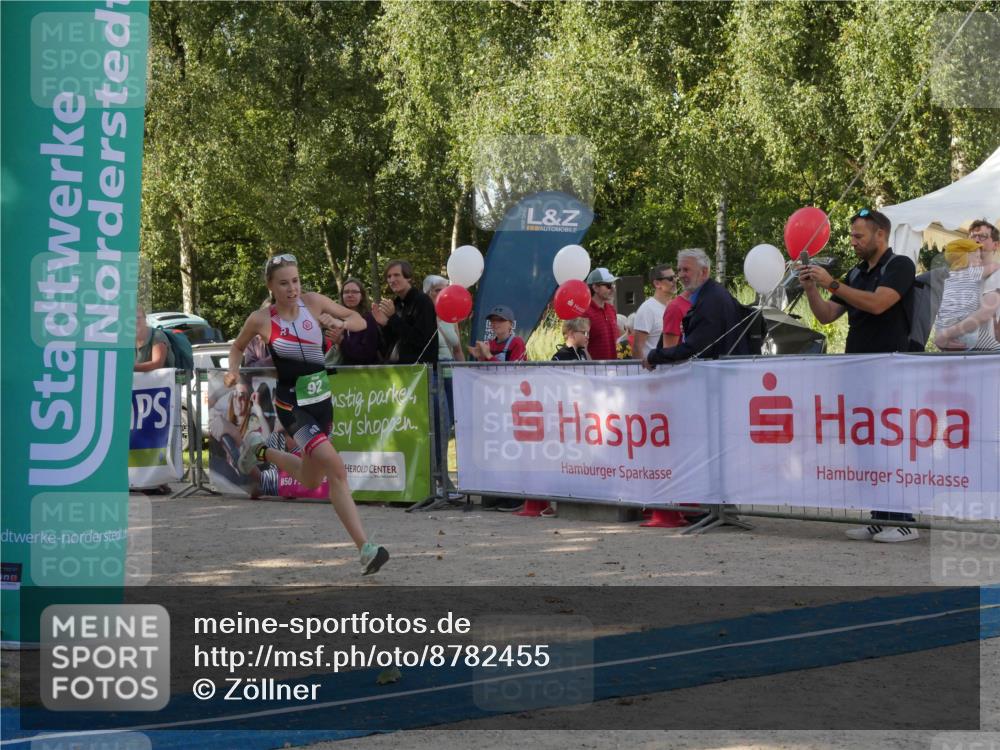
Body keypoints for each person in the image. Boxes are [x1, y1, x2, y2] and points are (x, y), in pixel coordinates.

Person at [225, 253, 389, 575]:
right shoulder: (261, 319)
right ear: (271, 286)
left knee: (311, 477)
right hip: (291, 405)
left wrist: (339, 323)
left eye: (296, 281)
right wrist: (232, 371)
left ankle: (258, 450)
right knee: (336, 468)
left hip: (321, 401)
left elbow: (358, 320)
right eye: (284, 283)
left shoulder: (314, 303)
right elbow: (237, 347)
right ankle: (365, 549)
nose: (292, 289)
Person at [798, 208, 919, 543]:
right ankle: (879, 516)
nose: (852, 242)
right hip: (857, 368)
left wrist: (832, 282)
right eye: (851, 235)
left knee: (890, 444)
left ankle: (904, 519)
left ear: (880, 235)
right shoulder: (855, 272)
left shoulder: (900, 265)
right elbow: (826, 315)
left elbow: (879, 304)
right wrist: (812, 288)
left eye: (858, 236)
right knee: (865, 445)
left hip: (889, 367)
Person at [644, 248, 750, 366]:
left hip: (720, 374)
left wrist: (654, 357)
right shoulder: (712, 294)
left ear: (704, 272)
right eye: (679, 270)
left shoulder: (711, 300)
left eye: (686, 270)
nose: (681, 275)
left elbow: (694, 348)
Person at [935, 221, 1000, 352]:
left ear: (995, 245)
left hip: (982, 353)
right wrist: (940, 337)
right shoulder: (955, 275)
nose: (976, 239)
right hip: (958, 351)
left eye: (982, 236)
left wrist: (944, 335)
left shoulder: (997, 274)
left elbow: (985, 314)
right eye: (972, 236)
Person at [373, 260, 439, 365]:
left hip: (420, 371)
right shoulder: (396, 304)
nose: (392, 280)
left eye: (396, 275)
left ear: (408, 277)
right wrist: (385, 325)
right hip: (398, 370)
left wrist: (393, 318)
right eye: (389, 276)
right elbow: (392, 342)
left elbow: (421, 339)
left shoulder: (422, 301)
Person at [324, 278, 381, 365]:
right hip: (340, 372)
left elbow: (368, 354)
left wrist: (341, 341)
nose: (350, 295)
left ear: (361, 296)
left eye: (354, 292)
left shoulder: (368, 319)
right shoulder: (337, 318)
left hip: (364, 372)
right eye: (346, 292)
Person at [632, 264, 677, 359]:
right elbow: (637, 347)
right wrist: (642, 372)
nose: (675, 280)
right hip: (653, 371)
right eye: (670, 278)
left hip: (671, 369)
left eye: (675, 276)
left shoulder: (674, 306)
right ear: (657, 284)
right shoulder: (647, 309)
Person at [583, 267, 620, 360]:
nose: (612, 289)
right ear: (595, 287)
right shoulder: (585, 313)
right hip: (596, 372)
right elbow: (582, 347)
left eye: (613, 285)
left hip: (616, 370)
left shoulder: (611, 310)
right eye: (608, 285)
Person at [134, 305, 175, 372]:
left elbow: (157, 364)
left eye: (138, 317)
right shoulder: (129, 339)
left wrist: (129, 368)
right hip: (140, 382)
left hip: (164, 381)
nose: (135, 321)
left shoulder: (157, 336)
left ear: (145, 318)